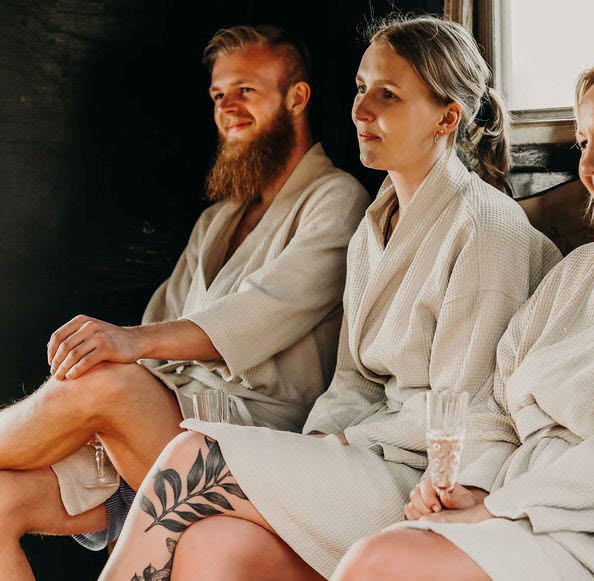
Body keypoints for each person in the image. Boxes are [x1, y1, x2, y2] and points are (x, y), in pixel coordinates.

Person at [98, 16, 561, 581]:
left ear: (447, 117)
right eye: (362, 88)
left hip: (426, 480)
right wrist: (318, 444)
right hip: (360, 457)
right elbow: (351, 381)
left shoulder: (487, 230)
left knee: (193, 457)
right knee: (213, 543)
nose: (361, 110)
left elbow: (458, 412)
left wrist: (344, 441)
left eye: (387, 95)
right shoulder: (376, 224)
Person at [333, 48, 594, 581]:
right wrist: (475, 484)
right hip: (524, 508)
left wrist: (496, 506)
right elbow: (495, 401)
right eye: (585, 141)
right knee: (376, 551)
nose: (589, 164)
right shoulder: (579, 272)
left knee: (383, 560)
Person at [0, 25, 369, 579]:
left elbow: (264, 311)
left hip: (253, 441)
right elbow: (159, 325)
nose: (229, 108)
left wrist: (127, 346)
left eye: (246, 90)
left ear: (297, 97)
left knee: (108, 381)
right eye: (219, 95)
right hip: (166, 421)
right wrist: (129, 359)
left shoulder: (337, 200)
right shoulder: (218, 219)